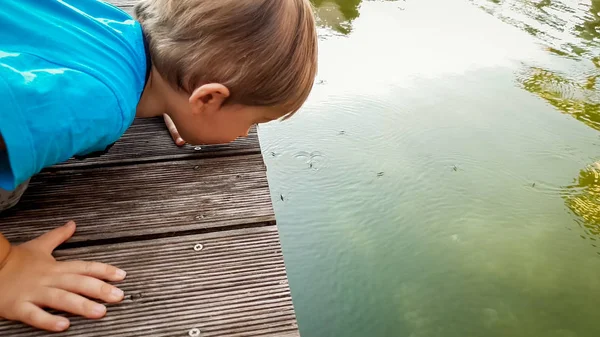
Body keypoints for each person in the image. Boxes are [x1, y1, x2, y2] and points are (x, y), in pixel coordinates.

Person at [0, 0, 317, 331]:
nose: (245, 134)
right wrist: (6, 267)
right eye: (254, 121)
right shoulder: (99, 104)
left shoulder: (114, 27)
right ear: (207, 99)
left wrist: (167, 100)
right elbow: (79, 98)